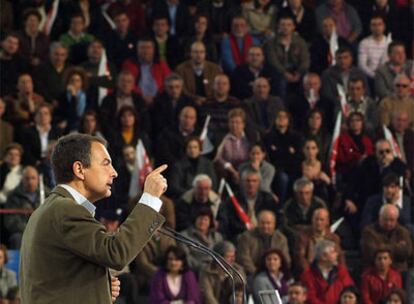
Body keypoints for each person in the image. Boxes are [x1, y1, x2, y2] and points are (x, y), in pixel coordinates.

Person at [19, 134, 168, 303]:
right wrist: (149, 199)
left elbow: (55, 280)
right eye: (106, 164)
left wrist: (99, 288)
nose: (114, 173)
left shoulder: (50, 208)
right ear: (79, 169)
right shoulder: (65, 210)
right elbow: (116, 253)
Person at [4, 166, 49, 249]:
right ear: (22, 180)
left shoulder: (47, 195)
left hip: (44, 230)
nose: (30, 182)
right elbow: (10, 221)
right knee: (17, 238)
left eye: (33, 178)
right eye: (27, 178)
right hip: (22, 232)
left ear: (38, 179)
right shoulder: (13, 196)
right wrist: (30, 229)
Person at [236, 210, 291, 276]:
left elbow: (285, 259)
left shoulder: (281, 239)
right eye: (262, 223)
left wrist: (275, 274)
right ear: (258, 223)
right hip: (252, 273)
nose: (265, 226)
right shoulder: (246, 237)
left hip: (276, 273)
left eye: (268, 223)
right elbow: (243, 259)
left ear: (274, 224)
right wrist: (257, 273)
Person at [361, 204, 413, 273]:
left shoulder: (403, 232)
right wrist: (397, 247)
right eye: (385, 219)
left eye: (392, 220)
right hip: (376, 271)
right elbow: (370, 253)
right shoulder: (369, 231)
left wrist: (381, 247)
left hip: (400, 271)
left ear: (396, 219)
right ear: (379, 217)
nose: (388, 223)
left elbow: (408, 252)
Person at [294, 208, 345, 276]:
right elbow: (300, 258)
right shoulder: (303, 236)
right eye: (316, 219)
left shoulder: (334, 238)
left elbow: (340, 257)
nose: (318, 222)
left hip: (330, 272)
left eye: (322, 220)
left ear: (327, 222)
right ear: (312, 220)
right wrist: (310, 273)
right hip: (311, 272)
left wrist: (342, 273)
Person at [301, 240, 354, 304]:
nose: (337, 254)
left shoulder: (341, 271)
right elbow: (311, 298)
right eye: (333, 252)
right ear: (324, 257)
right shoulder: (308, 275)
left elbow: (350, 291)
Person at [180, 207, 223, 273]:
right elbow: (186, 257)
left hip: (215, 271)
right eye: (200, 219)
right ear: (195, 220)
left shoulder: (217, 236)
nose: (202, 222)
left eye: (205, 219)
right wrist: (203, 268)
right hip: (195, 271)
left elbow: (221, 255)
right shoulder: (184, 236)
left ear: (210, 222)